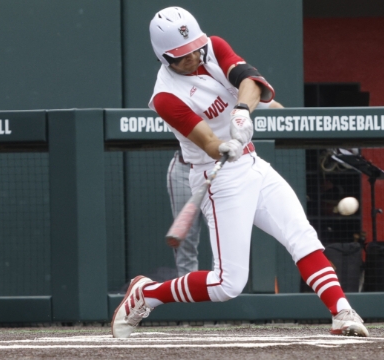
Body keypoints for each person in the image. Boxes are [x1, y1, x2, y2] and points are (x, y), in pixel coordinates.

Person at [111, 6, 368, 338]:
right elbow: (206, 141)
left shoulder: (214, 46)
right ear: (164, 57)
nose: (192, 57)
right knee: (227, 284)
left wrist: (242, 113)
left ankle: (341, 312)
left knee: (302, 237)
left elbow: (249, 80)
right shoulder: (165, 97)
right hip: (216, 176)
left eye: (194, 49)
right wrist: (222, 146)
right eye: (181, 55)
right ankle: (146, 294)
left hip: (253, 164)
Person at [166, 100, 284, 277]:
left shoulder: (227, 89)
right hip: (185, 167)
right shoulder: (175, 94)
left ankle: (221, 284)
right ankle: (188, 290)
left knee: (224, 235)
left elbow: (276, 108)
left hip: (224, 171)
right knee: (186, 240)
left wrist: (242, 123)